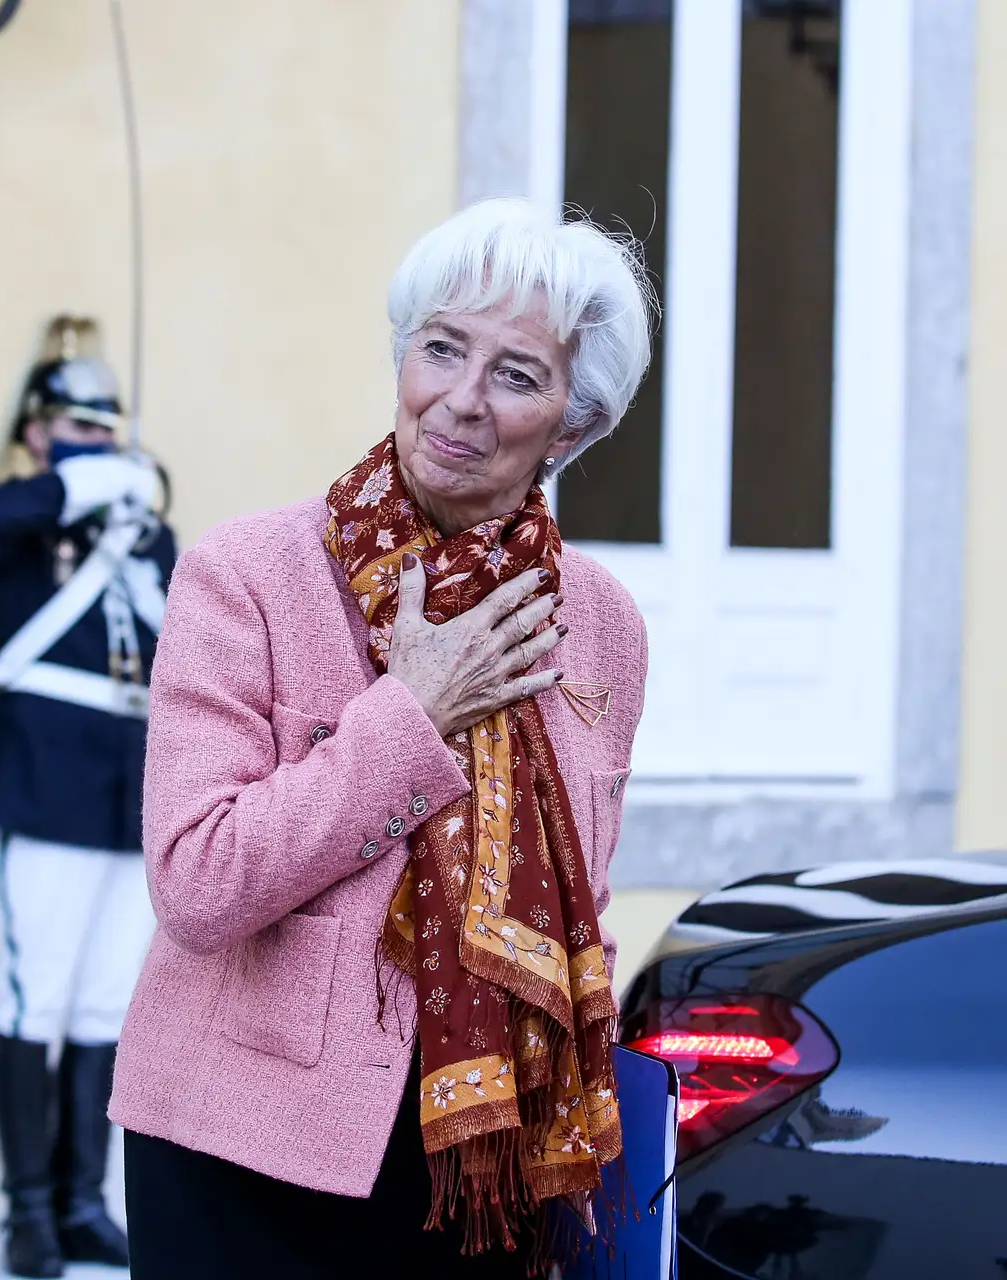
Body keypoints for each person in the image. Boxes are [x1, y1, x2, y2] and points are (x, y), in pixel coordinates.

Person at [108, 200, 656, 1278]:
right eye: (441, 348)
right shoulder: (248, 576)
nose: (461, 399)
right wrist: (410, 714)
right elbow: (197, 880)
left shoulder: (603, 625)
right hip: (241, 1152)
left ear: (573, 425)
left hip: (486, 1171)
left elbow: (580, 889)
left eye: (515, 374)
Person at [0, 316, 176, 1278]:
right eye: (76, 428)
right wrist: (88, 481)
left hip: (128, 785)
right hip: (45, 777)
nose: (97, 441)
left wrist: (131, 511)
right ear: (40, 433)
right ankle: (26, 1214)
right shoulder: (11, 521)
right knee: (32, 995)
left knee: (102, 1006)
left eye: (107, 428)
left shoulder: (144, 536)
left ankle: (84, 1200)